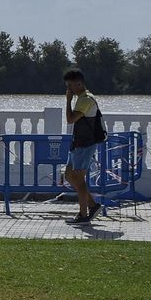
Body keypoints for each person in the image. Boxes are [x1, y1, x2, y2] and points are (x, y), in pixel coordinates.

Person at [62, 68, 104, 223]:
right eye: (67, 85)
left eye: (70, 85)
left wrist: (68, 101)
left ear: (79, 84)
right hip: (77, 144)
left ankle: (83, 215)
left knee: (79, 180)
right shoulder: (81, 98)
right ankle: (93, 205)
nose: (69, 89)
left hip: (85, 144)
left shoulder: (85, 99)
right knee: (69, 175)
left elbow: (70, 119)